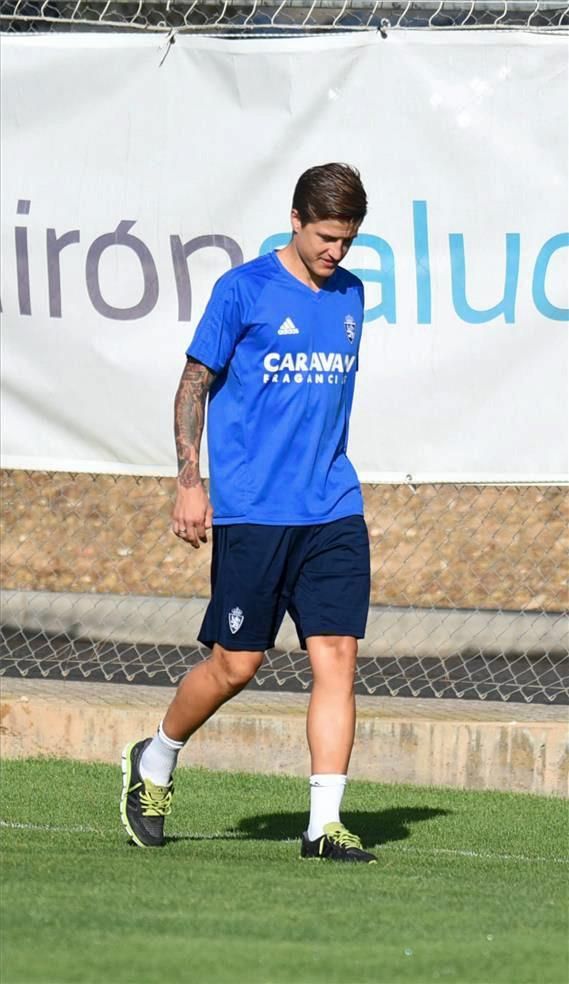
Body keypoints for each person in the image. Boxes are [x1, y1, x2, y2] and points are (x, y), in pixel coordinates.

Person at [120, 162, 376, 864]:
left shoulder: (352, 294)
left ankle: (322, 826)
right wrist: (188, 481)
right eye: (325, 237)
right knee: (236, 665)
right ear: (294, 220)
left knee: (336, 657)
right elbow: (192, 384)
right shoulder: (243, 290)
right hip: (253, 512)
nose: (335, 252)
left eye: (346, 240)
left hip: (331, 507)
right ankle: (156, 758)